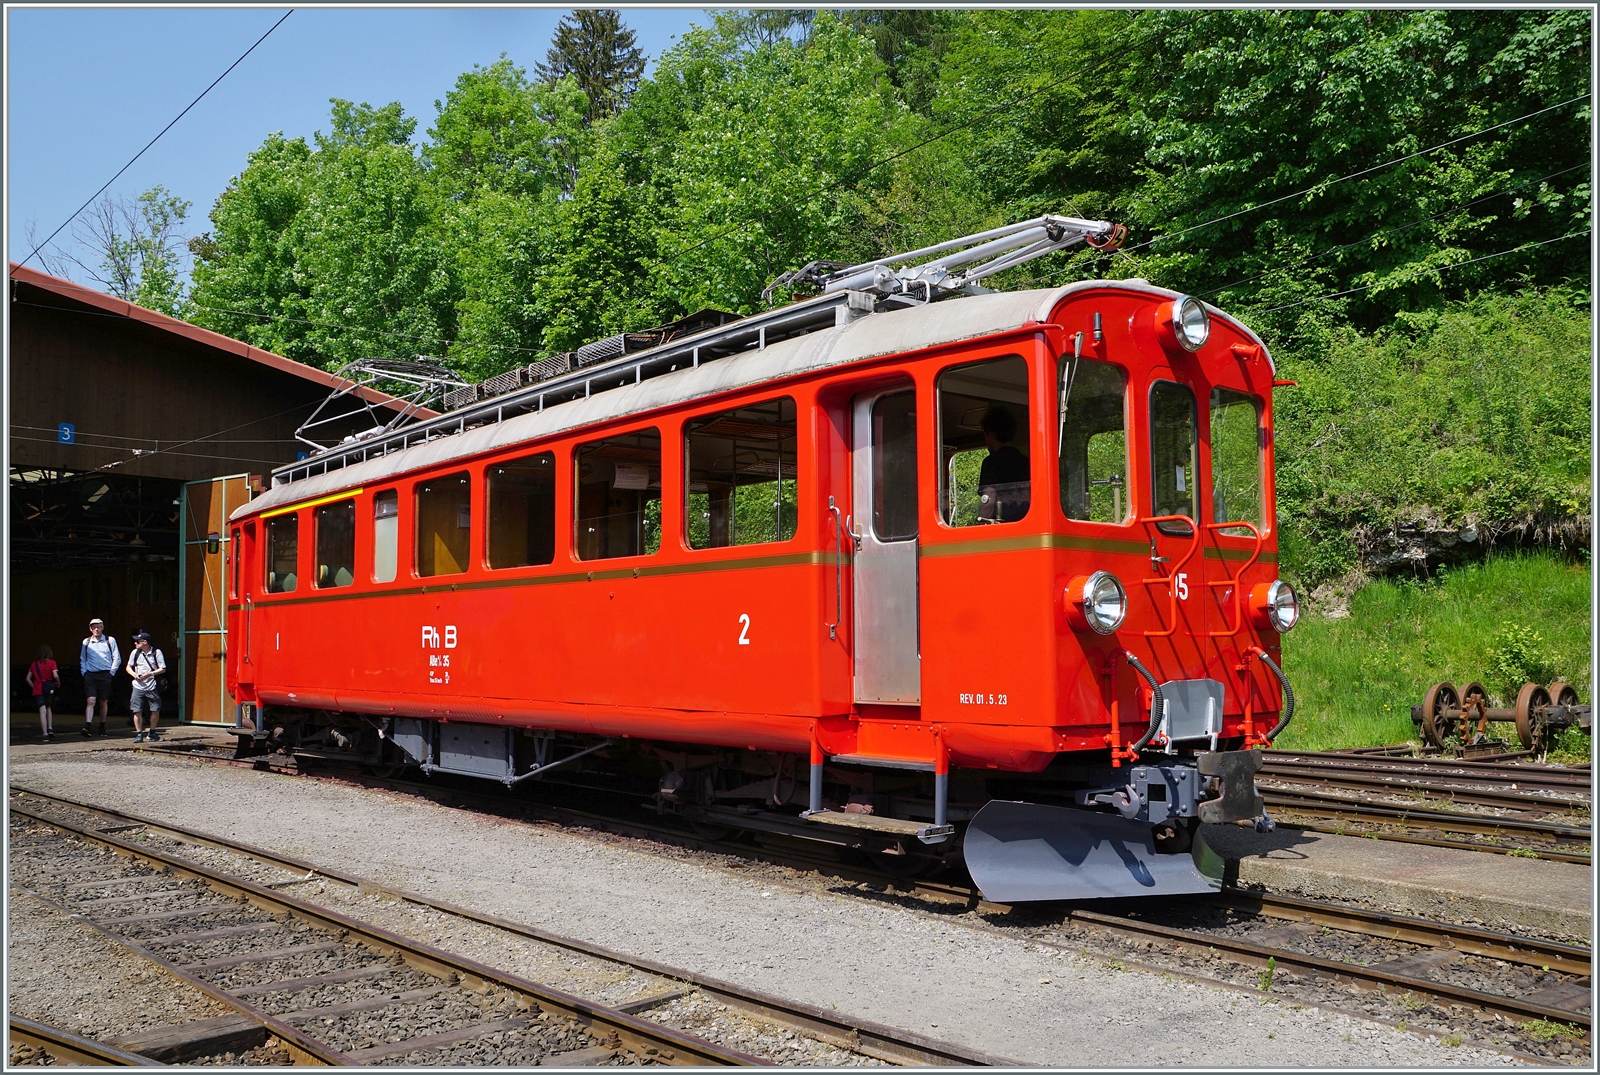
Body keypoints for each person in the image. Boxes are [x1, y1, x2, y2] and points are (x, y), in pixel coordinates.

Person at [977, 406, 1031, 522]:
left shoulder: (990, 462)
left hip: (1002, 528)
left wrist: (981, 523)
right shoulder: (1027, 462)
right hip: (1026, 525)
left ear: (990, 435)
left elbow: (988, 498)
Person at [79, 618, 120, 737]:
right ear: (90, 629)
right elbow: (83, 658)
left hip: (105, 674)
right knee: (91, 700)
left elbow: (116, 657)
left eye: (98, 627)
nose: (96, 629)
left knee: (103, 701)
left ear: (103, 627)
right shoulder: (86, 642)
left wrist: (111, 672)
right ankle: (88, 726)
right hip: (90, 674)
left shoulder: (110, 640)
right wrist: (84, 672)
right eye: (93, 627)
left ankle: (102, 725)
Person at [126, 630, 166, 744]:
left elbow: (163, 668)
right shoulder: (135, 652)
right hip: (137, 685)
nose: (135, 643)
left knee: (155, 709)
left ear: (145, 642)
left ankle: (152, 732)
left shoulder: (156, 652)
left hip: (152, 685)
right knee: (136, 710)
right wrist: (134, 674)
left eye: (137, 641)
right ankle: (139, 734)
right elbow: (128, 666)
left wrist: (150, 674)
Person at [26, 645, 60, 742]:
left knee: (42, 710)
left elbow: (27, 679)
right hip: (49, 688)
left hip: (38, 689)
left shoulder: (34, 664)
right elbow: (55, 675)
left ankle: (45, 734)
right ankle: (50, 728)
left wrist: (34, 686)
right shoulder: (52, 663)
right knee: (49, 707)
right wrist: (58, 682)